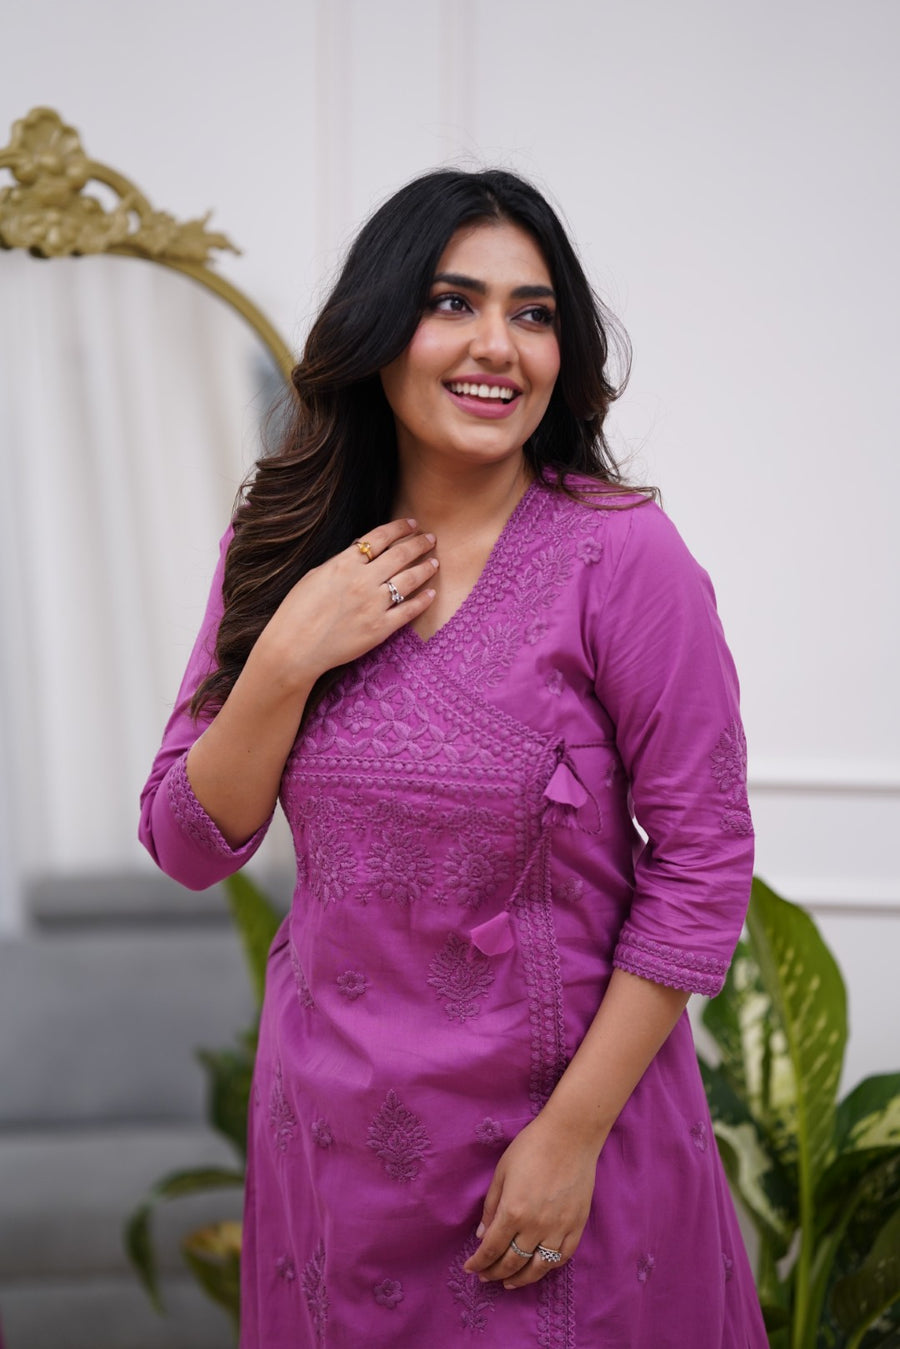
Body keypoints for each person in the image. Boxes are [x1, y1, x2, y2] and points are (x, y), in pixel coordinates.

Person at [139, 168, 767, 1347]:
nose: (498, 345)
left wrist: (569, 1137)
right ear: (380, 327)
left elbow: (704, 862)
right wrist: (285, 658)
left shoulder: (621, 557)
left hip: (566, 1147)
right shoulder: (281, 541)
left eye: (533, 314)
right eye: (453, 302)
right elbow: (186, 841)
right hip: (333, 1150)